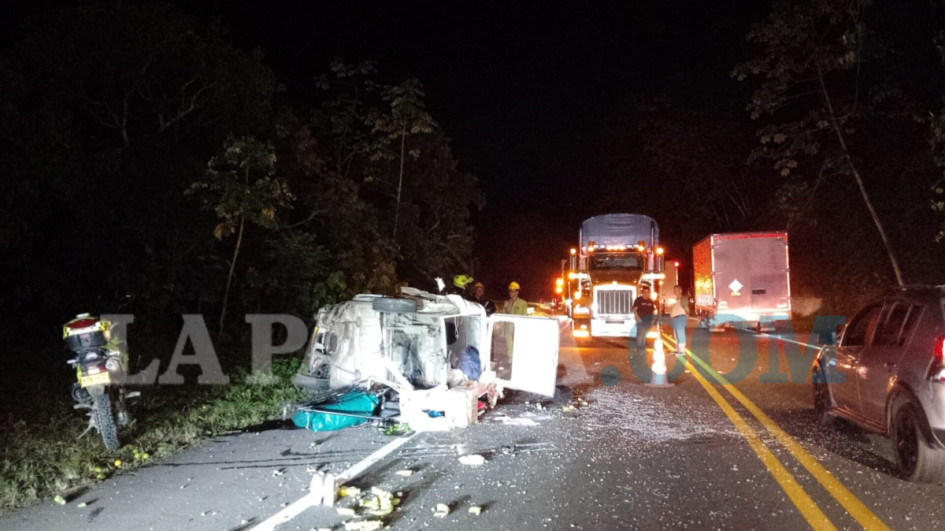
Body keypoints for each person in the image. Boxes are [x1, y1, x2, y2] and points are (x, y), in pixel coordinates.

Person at [631, 284, 656, 354]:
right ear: (642, 292)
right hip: (641, 320)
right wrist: (637, 317)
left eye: (647, 292)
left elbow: (652, 311)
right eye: (644, 292)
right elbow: (634, 309)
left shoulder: (650, 301)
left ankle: (641, 349)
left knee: (644, 336)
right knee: (640, 336)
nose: (646, 294)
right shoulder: (638, 300)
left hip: (648, 322)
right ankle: (640, 351)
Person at [668, 285, 689, 355]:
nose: (675, 291)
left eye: (677, 290)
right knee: (676, 335)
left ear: (680, 291)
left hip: (680, 318)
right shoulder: (676, 300)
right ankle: (677, 349)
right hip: (675, 319)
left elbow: (686, 309)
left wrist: (687, 315)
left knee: (680, 334)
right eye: (674, 290)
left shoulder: (683, 299)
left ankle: (682, 350)